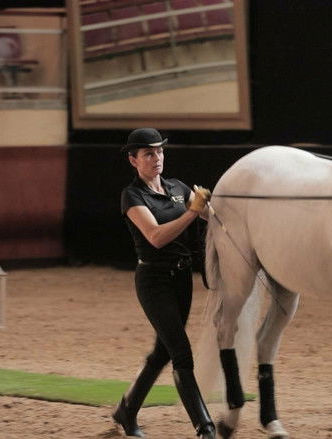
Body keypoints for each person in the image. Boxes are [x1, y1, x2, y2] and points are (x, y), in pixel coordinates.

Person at [112, 128, 215, 438]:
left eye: (159, 152)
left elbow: (210, 216)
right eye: (148, 154)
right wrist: (191, 212)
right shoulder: (132, 195)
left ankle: (126, 411)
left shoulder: (177, 187)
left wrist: (207, 206)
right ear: (133, 160)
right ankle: (205, 427)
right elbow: (155, 237)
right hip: (153, 280)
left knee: (163, 352)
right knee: (181, 353)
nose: (156, 158)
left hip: (182, 278)